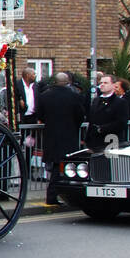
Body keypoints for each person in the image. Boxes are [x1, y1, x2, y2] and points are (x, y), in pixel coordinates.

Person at [35, 73, 85, 206]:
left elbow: (40, 114)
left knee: (56, 166)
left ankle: (56, 195)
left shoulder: (44, 96)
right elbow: (80, 115)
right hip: (69, 135)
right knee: (65, 166)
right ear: (68, 82)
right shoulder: (74, 96)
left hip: (51, 135)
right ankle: (54, 196)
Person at [87, 74, 129, 152]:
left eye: (106, 83)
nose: (102, 85)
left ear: (113, 85)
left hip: (111, 141)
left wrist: (101, 129)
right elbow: (91, 120)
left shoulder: (120, 102)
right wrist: (87, 140)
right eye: (101, 83)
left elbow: (121, 122)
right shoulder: (96, 100)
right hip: (95, 142)